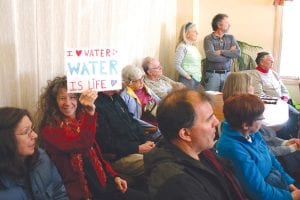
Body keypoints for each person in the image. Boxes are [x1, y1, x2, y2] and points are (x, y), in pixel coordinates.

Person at [36, 76, 144, 200]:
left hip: (102, 183)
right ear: (54, 102)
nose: (67, 103)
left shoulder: (81, 120)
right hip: (82, 193)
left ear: (78, 99)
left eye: (72, 97)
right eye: (62, 98)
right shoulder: (49, 129)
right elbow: (81, 145)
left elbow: (98, 155)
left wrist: (114, 176)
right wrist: (90, 114)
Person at [144, 89, 248, 200]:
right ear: (185, 134)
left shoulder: (202, 151)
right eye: (209, 119)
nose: (217, 122)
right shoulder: (178, 184)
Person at [216, 94, 300, 199]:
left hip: (276, 184)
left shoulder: (252, 133)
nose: (263, 120)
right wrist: (290, 197)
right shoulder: (233, 149)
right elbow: (258, 191)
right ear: (246, 124)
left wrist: (289, 183)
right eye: (260, 118)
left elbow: (272, 159)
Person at [223, 72, 300, 186]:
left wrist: (286, 142)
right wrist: (291, 148)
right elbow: (265, 151)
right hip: (268, 167)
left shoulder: (247, 117)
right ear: (243, 88)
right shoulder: (244, 120)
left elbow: (265, 143)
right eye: (250, 85)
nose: (253, 87)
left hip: (271, 161)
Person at [0, 107, 68, 199]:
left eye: (32, 129)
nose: (35, 135)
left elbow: (59, 192)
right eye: (25, 132)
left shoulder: (41, 158)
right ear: (6, 139)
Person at [95, 89, 156, 185]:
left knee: (167, 157)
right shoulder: (96, 105)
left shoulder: (116, 97)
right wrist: (137, 148)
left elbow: (133, 122)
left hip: (138, 146)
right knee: (158, 165)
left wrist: (146, 140)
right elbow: (105, 144)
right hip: (120, 156)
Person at [252, 51, 299, 139]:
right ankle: (280, 138)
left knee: (296, 115)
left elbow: (284, 89)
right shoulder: (255, 75)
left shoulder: (274, 74)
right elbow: (258, 95)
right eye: (270, 61)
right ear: (262, 62)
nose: (272, 62)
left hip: (282, 103)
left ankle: (289, 136)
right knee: (283, 119)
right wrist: (277, 101)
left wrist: (285, 98)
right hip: (269, 105)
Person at [203, 13, 240, 91]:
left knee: (226, 100)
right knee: (211, 100)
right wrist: (229, 54)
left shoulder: (231, 37)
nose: (229, 25)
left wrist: (221, 51)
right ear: (219, 25)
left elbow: (237, 53)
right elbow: (211, 57)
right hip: (213, 75)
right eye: (226, 22)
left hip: (227, 75)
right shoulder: (208, 39)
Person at [174, 22, 202, 89]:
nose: (197, 33)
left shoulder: (194, 47)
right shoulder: (182, 46)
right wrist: (187, 76)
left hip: (197, 79)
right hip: (187, 80)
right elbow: (176, 65)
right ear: (187, 33)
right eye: (194, 31)